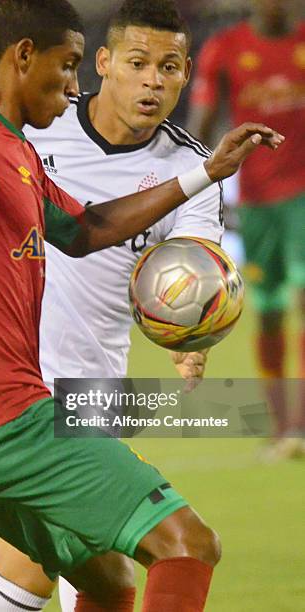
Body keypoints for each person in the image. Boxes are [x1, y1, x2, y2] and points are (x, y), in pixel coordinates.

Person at [0, 1, 282, 611]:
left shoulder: (17, 151)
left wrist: (206, 173)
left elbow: (86, 228)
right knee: (187, 545)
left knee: (101, 585)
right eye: (68, 67)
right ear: (24, 57)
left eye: (168, 67)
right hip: (5, 415)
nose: (72, 84)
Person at [0, 1, 224, 610]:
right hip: (8, 383)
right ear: (103, 64)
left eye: (169, 67)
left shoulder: (192, 170)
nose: (153, 79)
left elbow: (198, 273)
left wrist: (191, 337)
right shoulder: (40, 121)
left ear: (186, 75)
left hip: (92, 393)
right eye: (138, 62)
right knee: (169, 549)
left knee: (42, 585)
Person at [188, 0, 305, 461]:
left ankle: (301, 424)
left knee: (303, 298)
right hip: (256, 205)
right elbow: (200, 127)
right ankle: (283, 429)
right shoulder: (224, 49)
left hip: (303, 197)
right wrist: (199, 194)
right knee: (271, 310)